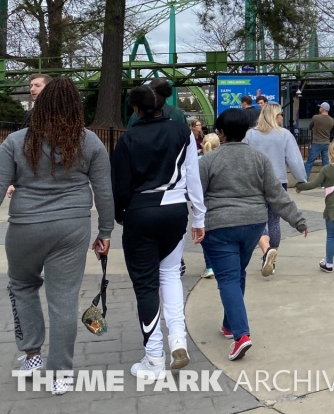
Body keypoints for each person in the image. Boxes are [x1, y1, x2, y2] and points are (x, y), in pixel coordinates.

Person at [0, 78, 114, 395]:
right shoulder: (90, 143)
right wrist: (105, 232)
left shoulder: (17, 142)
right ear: (76, 106)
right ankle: (61, 372)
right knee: (63, 300)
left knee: (22, 286)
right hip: (73, 227)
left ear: (41, 105)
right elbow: (104, 194)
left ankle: (32, 355)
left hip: (25, 227)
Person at [112, 85, 206, 380]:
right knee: (169, 274)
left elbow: (120, 185)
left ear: (136, 110)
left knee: (146, 285)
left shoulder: (128, 139)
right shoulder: (183, 132)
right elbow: (193, 175)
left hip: (141, 211)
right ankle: (178, 339)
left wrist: (120, 215)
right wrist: (199, 218)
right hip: (176, 210)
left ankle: (154, 359)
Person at [200, 108, 308, 361]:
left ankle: (241, 335)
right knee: (237, 273)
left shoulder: (208, 161)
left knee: (227, 278)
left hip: (220, 226)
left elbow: (195, 196)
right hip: (253, 225)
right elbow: (276, 195)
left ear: (221, 132)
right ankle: (229, 325)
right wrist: (298, 221)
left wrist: (195, 223)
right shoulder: (259, 160)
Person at [243, 103, 307, 277]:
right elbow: (294, 160)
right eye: (280, 115)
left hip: (254, 183)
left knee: (256, 220)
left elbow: (242, 157)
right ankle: (272, 256)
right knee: (274, 221)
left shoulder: (250, 135)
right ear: (274, 115)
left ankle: (266, 251)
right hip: (278, 182)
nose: (282, 118)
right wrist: (301, 180)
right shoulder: (284, 135)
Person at [295, 139, 334, 280]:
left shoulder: (326, 170)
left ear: (331, 153)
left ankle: (329, 264)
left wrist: (300, 186)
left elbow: (313, 184)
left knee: (331, 237)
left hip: (332, 210)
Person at [199, 133, 221, 279]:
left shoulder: (199, 161)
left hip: (203, 203)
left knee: (205, 236)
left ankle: (210, 266)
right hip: (220, 202)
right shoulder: (222, 160)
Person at [307, 102, 334, 177]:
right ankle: (325, 182)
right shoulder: (331, 120)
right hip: (326, 143)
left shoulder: (316, 117)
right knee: (326, 163)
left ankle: (305, 180)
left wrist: (315, 129)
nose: (319, 108)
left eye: (320, 107)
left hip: (316, 143)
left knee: (309, 162)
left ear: (323, 109)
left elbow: (310, 127)